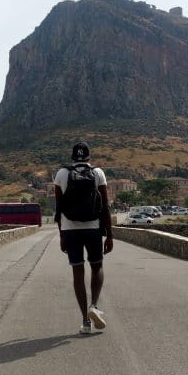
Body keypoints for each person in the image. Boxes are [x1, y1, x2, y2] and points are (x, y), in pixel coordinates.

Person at [55, 142, 114, 334]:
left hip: (70, 230)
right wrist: (109, 235)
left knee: (77, 273)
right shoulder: (98, 173)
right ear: (88, 157)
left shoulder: (62, 174)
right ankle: (94, 306)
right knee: (97, 266)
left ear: (73, 157)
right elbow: (105, 207)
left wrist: (61, 235)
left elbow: (59, 209)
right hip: (93, 228)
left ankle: (85, 322)